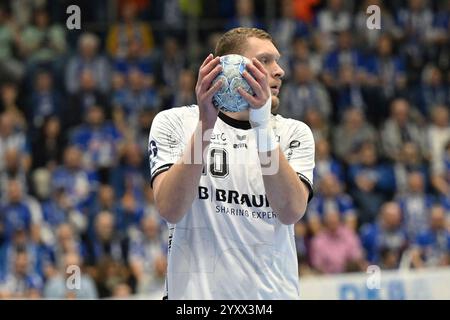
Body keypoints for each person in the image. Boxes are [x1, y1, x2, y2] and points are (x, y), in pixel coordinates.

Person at [149, 27, 315, 300]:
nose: (280, 70)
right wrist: (205, 125)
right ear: (227, 68)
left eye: (277, 60)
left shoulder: (293, 133)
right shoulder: (176, 123)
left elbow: (290, 211)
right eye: (265, 61)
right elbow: (170, 208)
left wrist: (261, 125)